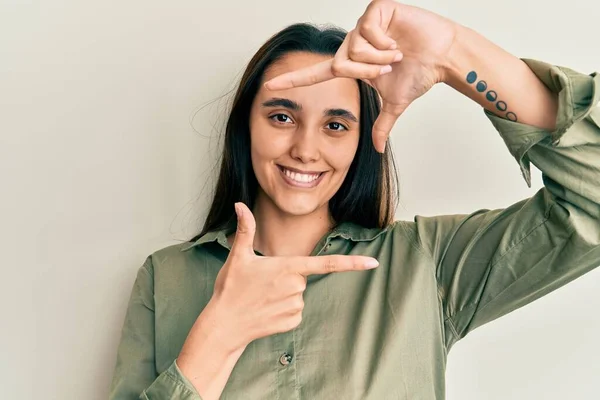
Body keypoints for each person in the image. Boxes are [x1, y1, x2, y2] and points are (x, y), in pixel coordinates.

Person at [108, 0, 600, 399]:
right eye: (281, 117)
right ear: (246, 128)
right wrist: (217, 337)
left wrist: (453, 52)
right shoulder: (164, 278)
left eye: (336, 125)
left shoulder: (428, 264)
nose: (305, 148)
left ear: (362, 141)